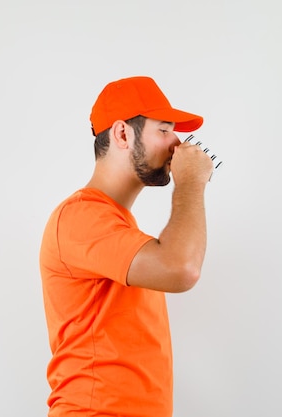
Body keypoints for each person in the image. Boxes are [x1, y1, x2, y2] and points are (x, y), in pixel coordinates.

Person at [39, 76, 213, 417]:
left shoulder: (117, 226)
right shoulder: (80, 217)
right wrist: (191, 181)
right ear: (122, 134)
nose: (177, 141)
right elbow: (182, 268)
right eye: (163, 130)